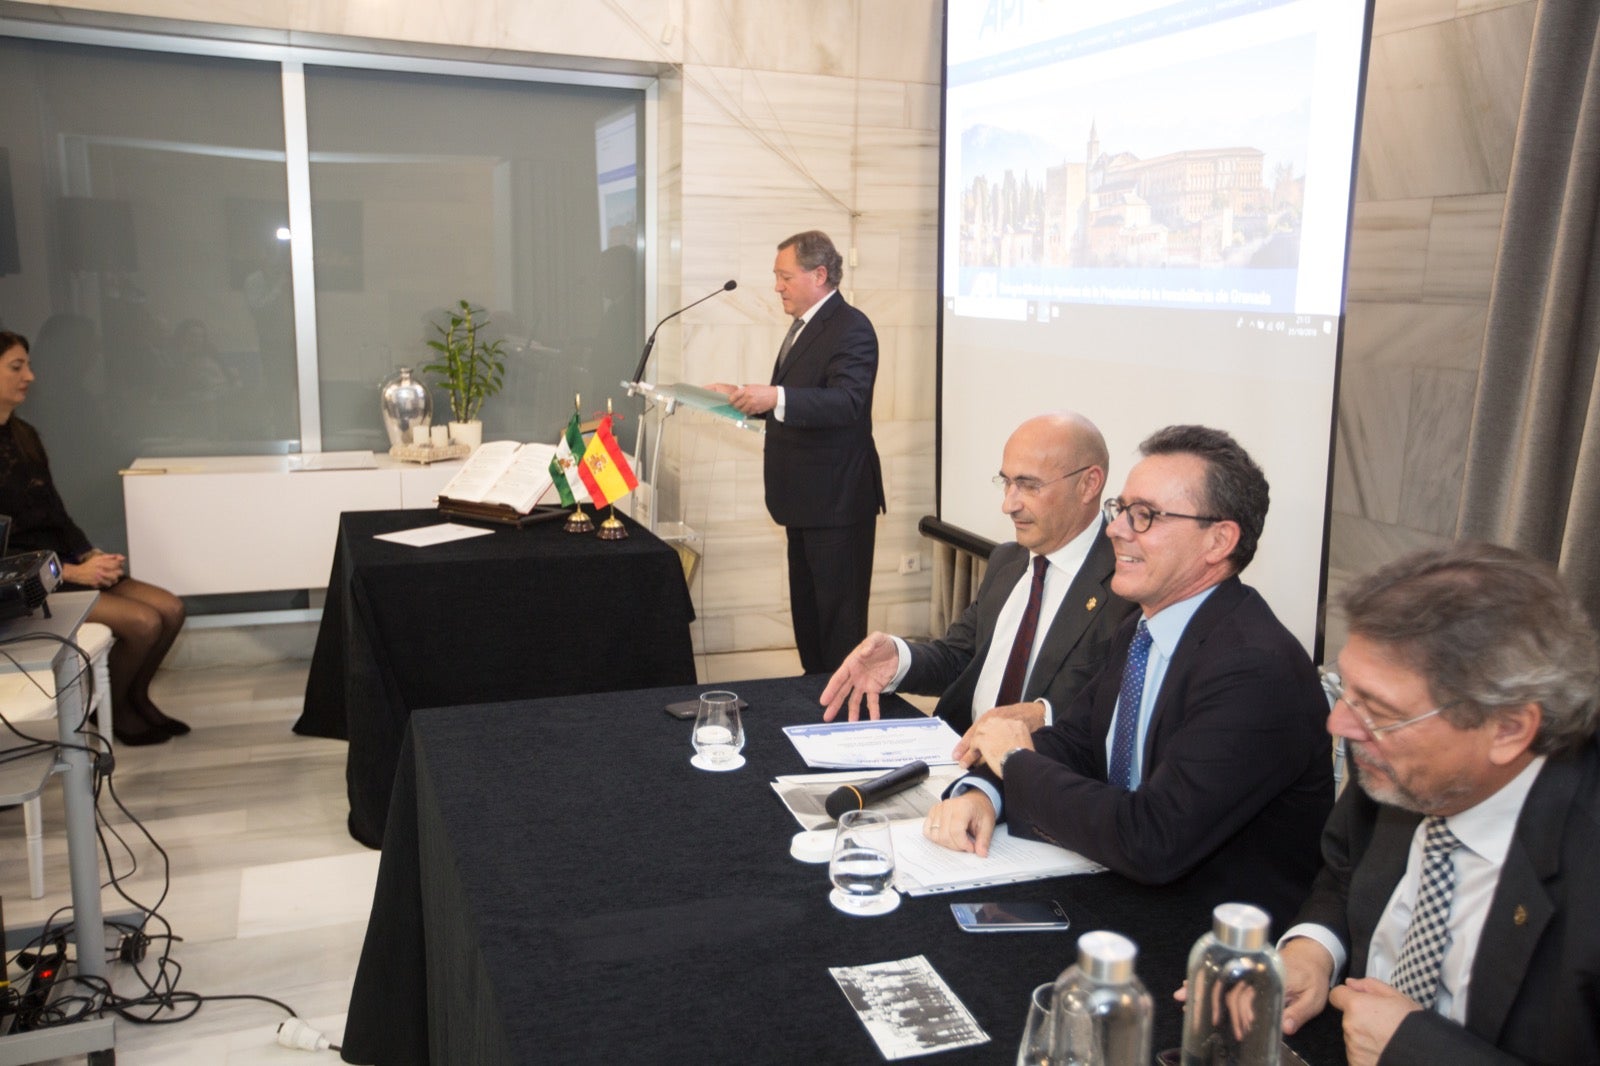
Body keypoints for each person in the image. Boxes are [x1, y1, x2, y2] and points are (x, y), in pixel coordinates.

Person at [925, 425, 1332, 930]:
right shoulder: (1142, 628)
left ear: (1219, 540)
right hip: (1121, 895)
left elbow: (1153, 837)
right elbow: (1073, 743)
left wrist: (1011, 760)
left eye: (1146, 517)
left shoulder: (1255, 668)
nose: (1116, 530)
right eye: (1122, 510)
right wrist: (983, 791)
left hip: (1207, 943)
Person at [1275, 542, 1600, 1065]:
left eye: (1377, 708)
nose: (1341, 726)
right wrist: (1314, 950)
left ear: (1510, 728)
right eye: (1346, 691)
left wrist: (1415, 1050)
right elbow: (1345, 871)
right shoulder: (1399, 759)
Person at [818, 411, 1137, 743]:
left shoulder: (1128, 587)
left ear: (1089, 484)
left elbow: (1119, 712)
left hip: (1042, 775)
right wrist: (900, 658)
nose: (1008, 505)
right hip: (956, 752)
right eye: (1006, 482)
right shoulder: (1007, 561)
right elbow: (959, 656)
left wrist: (1044, 716)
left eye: (1028, 485)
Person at [0, 330, 188, 746]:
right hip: (32, 582)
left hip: (67, 562)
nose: (29, 376)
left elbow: (55, 512)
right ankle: (116, 708)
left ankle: (134, 697)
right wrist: (74, 571)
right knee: (143, 622)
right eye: (17, 367)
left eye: (28, 365)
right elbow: (6, 553)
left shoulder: (24, 435)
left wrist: (91, 554)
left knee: (172, 609)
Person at [709, 230, 884, 675]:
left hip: (837, 505)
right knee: (809, 622)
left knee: (838, 630)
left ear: (819, 274)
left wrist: (775, 397)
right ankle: (814, 701)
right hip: (803, 503)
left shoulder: (852, 327)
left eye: (784, 276)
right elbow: (798, 400)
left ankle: (841, 720)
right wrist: (744, 396)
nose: (777, 286)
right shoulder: (803, 326)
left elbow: (848, 402)